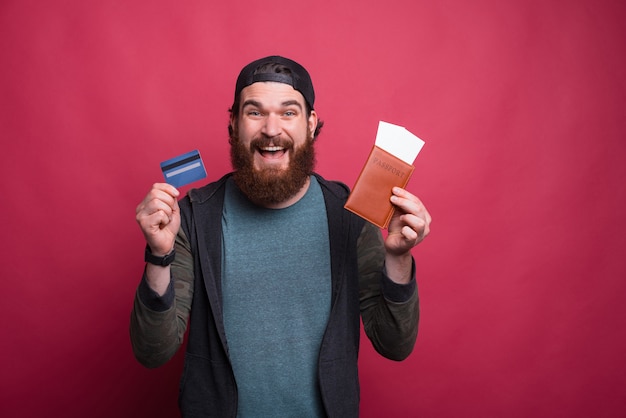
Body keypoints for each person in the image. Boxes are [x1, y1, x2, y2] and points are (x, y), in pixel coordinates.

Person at [131, 55, 431, 418]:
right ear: (233, 124)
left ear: (310, 123)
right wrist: (158, 255)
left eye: (288, 112)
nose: (271, 129)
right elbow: (152, 352)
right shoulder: (194, 217)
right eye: (254, 112)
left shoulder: (350, 217)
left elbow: (394, 345)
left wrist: (398, 258)